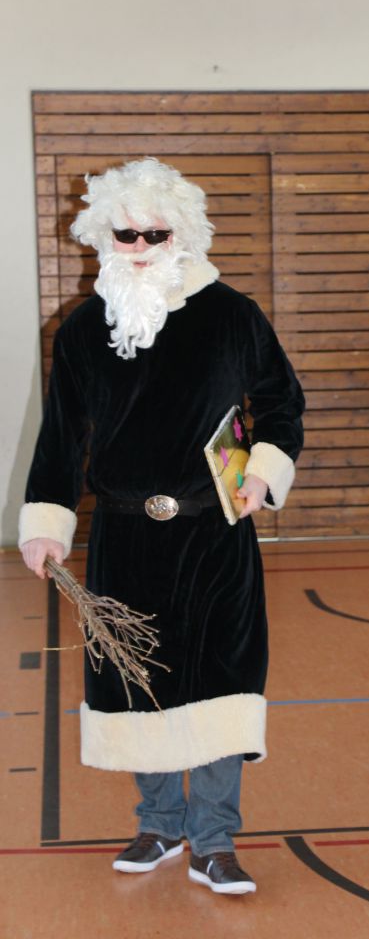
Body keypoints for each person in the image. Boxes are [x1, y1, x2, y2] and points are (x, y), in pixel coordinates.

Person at [19, 158, 305, 894]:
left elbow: (280, 401)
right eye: (127, 234)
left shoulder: (232, 315)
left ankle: (213, 839)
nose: (141, 247)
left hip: (215, 535)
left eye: (156, 233)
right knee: (134, 675)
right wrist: (46, 522)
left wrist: (263, 472)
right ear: (103, 237)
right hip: (124, 539)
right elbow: (61, 439)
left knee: (220, 680)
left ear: (183, 234)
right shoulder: (82, 331)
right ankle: (159, 824)